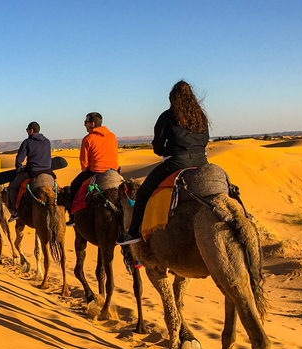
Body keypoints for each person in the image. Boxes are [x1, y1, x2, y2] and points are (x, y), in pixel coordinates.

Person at [117, 80, 210, 245]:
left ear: (173, 98)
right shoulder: (200, 117)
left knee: (143, 192)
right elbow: (205, 141)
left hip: (177, 162)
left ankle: (133, 233)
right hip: (202, 162)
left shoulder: (167, 116)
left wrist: (166, 148)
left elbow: (158, 147)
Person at [66, 112, 119, 226]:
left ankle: (73, 217)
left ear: (92, 124)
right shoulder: (112, 135)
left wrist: (86, 169)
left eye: (86, 122)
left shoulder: (88, 138)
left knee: (74, 185)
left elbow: (84, 163)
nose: (84, 125)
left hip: (96, 171)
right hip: (114, 171)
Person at [7, 121, 52, 221]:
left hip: (33, 172)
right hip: (48, 171)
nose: (27, 132)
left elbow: (19, 159)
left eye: (27, 130)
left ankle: (14, 212)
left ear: (31, 131)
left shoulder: (27, 142)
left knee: (12, 187)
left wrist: (19, 171)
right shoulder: (47, 141)